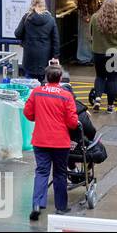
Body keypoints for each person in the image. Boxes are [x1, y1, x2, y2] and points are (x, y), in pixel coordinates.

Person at [24, 65, 79, 221]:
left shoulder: (37, 92)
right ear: (60, 79)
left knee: (41, 171)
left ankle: (36, 204)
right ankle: (61, 207)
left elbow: (28, 113)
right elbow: (73, 122)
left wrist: (39, 118)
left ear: (46, 78)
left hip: (40, 140)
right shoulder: (66, 95)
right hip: (60, 142)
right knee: (60, 173)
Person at [90, 0, 117, 113]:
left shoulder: (94, 18)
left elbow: (91, 33)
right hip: (114, 53)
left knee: (100, 76)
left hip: (98, 52)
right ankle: (110, 106)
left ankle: (97, 99)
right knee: (112, 79)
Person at [14, 0, 60, 81]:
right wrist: (55, 56)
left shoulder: (27, 18)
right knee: (43, 79)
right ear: (44, 6)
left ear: (32, 5)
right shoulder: (50, 19)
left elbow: (18, 33)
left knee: (29, 80)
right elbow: (55, 40)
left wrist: (25, 39)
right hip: (44, 55)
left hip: (29, 54)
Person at [74, 0, 102, 65]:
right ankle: (83, 58)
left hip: (93, 11)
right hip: (86, 12)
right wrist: (85, 15)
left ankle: (88, 57)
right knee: (85, 36)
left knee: (90, 36)